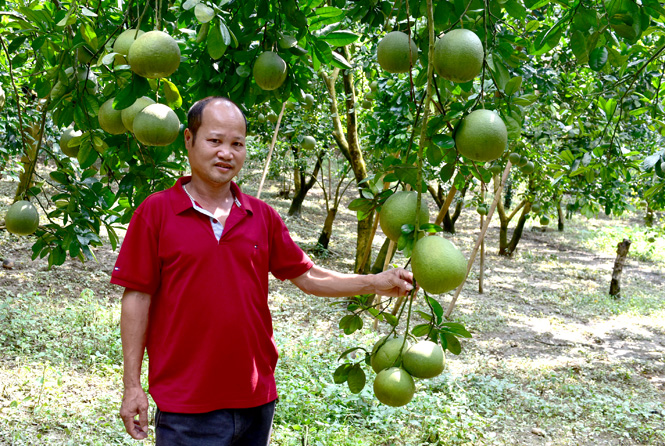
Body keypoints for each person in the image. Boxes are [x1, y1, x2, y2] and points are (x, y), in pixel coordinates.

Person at [111, 96, 414, 445]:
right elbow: (137, 298)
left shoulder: (261, 216)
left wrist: (375, 282)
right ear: (189, 140)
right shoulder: (157, 212)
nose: (226, 153)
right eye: (215, 140)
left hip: (255, 400)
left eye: (237, 144)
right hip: (186, 406)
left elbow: (308, 276)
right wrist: (132, 386)